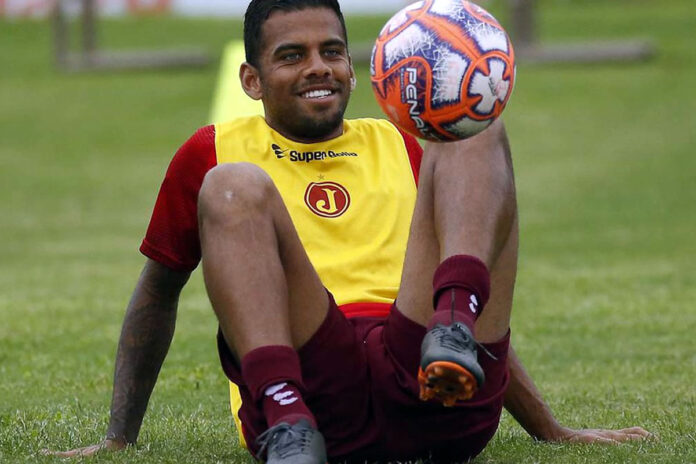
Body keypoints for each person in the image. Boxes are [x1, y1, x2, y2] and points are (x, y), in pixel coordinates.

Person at [46, 0, 651, 462]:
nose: (319, 68)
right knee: (232, 185)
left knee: (469, 119)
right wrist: (119, 437)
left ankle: (453, 321)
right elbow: (158, 293)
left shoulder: (399, 140)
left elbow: (463, 255)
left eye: (332, 51)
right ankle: (283, 412)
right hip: (313, 397)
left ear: (355, 68)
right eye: (292, 56)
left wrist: (552, 430)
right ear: (252, 80)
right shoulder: (212, 151)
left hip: (430, 387)